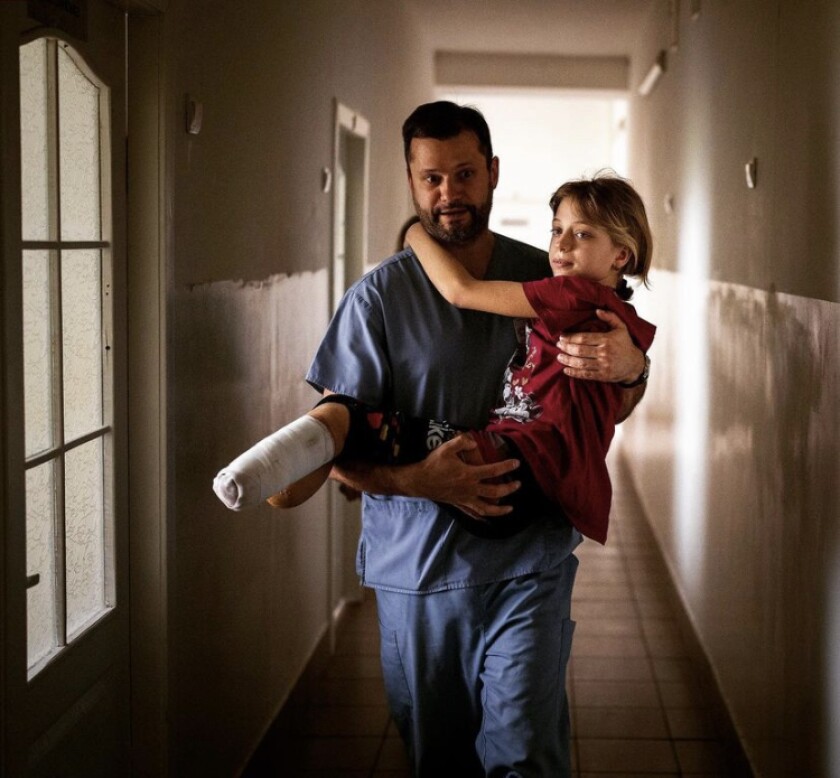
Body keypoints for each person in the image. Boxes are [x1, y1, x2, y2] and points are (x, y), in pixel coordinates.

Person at [222, 101, 650, 776]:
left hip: (528, 564)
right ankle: (284, 462)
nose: (448, 192)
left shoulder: (545, 277)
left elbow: (609, 403)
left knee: (526, 754)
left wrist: (634, 368)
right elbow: (347, 451)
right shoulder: (378, 299)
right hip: (421, 573)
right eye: (431, 178)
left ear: (492, 173)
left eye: (464, 173)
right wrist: (416, 480)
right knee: (440, 759)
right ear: (411, 181)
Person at [213, 173, 656, 550]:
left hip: (512, 466)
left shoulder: (570, 294)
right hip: (544, 488)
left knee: (361, 423)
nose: (560, 246)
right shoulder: (624, 320)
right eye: (556, 229)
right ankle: (305, 455)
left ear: (621, 254)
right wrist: (638, 365)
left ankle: (281, 464)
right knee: (367, 429)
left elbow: (460, 291)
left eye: (582, 234)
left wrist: (414, 235)